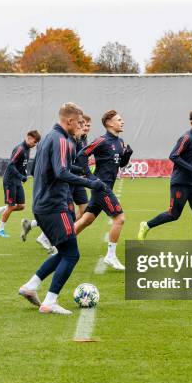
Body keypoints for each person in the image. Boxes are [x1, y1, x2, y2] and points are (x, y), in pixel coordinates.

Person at [18, 102, 106, 315]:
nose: (80, 126)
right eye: (78, 122)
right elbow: (60, 172)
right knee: (72, 255)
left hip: (44, 204)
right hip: (54, 205)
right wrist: (90, 183)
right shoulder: (61, 139)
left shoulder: (49, 137)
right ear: (69, 121)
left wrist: (83, 173)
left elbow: (52, 168)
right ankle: (50, 302)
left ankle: (30, 287)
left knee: (65, 251)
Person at [137, 109, 192, 254]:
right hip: (180, 183)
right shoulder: (186, 138)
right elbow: (174, 156)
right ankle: (146, 225)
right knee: (173, 215)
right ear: (191, 123)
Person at [73, 110, 133, 270]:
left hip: (104, 187)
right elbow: (82, 155)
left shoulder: (120, 142)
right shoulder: (102, 140)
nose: (122, 122)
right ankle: (110, 256)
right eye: (119, 120)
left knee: (86, 220)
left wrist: (127, 155)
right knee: (120, 218)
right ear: (109, 123)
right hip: (102, 188)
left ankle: (61, 244)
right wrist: (89, 177)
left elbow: (119, 164)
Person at [0, 130, 41, 237]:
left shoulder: (27, 149)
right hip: (10, 181)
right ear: (29, 138)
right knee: (11, 206)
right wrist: (21, 176)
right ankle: (0, 230)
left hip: (17, 181)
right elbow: (11, 165)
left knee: (21, 206)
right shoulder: (20, 149)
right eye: (34, 141)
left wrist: (24, 173)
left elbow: (22, 164)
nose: (35, 144)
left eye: (36, 142)